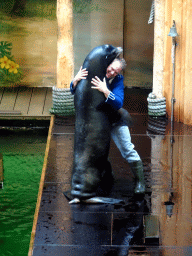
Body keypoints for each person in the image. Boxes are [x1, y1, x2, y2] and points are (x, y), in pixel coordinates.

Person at [70, 57, 145, 194]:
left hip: (115, 120)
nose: (111, 73)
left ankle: (140, 182)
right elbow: (76, 92)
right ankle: (108, 178)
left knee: (127, 149)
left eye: (115, 72)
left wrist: (106, 90)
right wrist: (75, 81)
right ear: (107, 64)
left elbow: (118, 103)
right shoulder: (94, 72)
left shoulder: (117, 80)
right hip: (97, 121)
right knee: (98, 151)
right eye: (111, 69)